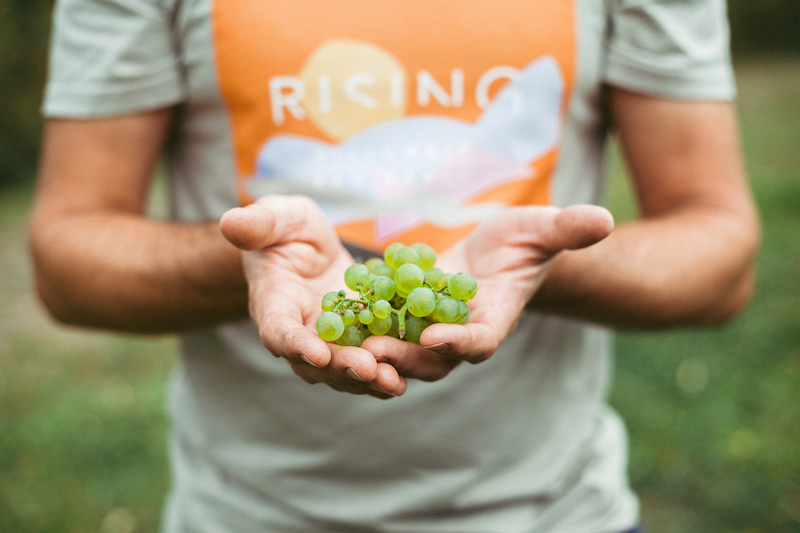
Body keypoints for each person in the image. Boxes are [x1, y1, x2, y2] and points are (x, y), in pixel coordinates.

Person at [29, 0, 759, 531]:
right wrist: (247, 261)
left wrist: (544, 267)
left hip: (563, 514)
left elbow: (721, 257)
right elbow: (67, 259)